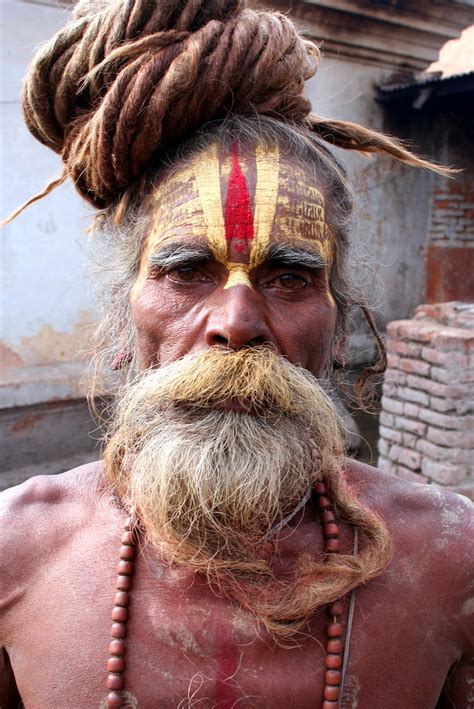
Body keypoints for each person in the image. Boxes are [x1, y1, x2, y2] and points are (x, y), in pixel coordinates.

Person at [1, 0, 472, 707]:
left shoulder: (450, 561)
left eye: (290, 277)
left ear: (338, 327)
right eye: (186, 270)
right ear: (125, 318)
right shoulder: (18, 548)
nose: (237, 322)